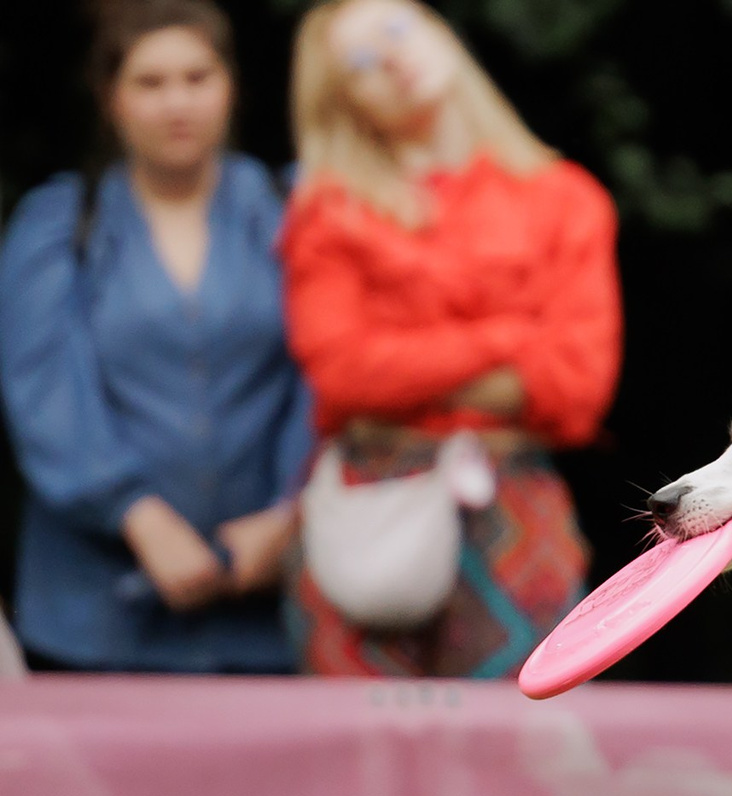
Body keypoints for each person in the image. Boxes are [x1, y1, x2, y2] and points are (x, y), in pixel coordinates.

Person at [277, 0, 620, 678]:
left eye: (397, 30)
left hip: (517, 512)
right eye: (363, 62)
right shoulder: (328, 210)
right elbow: (343, 372)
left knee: (516, 759)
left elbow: (577, 388)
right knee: (360, 765)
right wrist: (511, 339)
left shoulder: (566, 199)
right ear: (345, 102)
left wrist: (404, 369)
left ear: (439, 31)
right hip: (367, 511)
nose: (394, 61)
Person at [0, 0, 308, 674]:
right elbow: (42, 391)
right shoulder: (59, 224)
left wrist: (292, 513)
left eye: (198, 77)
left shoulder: (293, 215)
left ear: (232, 86)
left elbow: (328, 377)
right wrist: (136, 514)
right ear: (111, 99)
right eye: (151, 82)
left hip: (265, 608)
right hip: (99, 609)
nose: (178, 103)